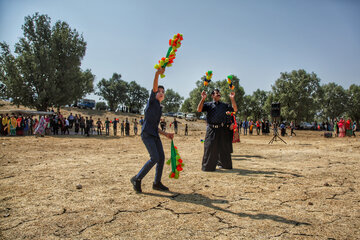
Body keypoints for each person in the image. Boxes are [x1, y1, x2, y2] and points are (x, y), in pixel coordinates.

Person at [130, 67, 174, 193]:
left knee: (161, 157)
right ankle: (137, 179)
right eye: (158, 91)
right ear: (154, 94)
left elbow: (155, 126)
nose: (161, 92)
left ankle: (157, 183)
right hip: (147, 135)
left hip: (154, 134)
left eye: (163, 91)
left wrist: (166, 134)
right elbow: (154, 88)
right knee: (154, 157)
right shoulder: (152, 102)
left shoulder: (159, 108)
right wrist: (157, 74)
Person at [197, 88, 238, 171]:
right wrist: (203, 99)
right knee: (210, 147)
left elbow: (235, 109)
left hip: (222, 129)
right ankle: (208, 167)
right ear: (212, 95)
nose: (218, 94)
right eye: (216, 93)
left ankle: (225, 165)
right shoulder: (208, 105)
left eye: (219, 93)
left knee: (224, 148)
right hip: (211, 129)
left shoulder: (224, 105)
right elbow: (199, 109)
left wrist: (232, 99)